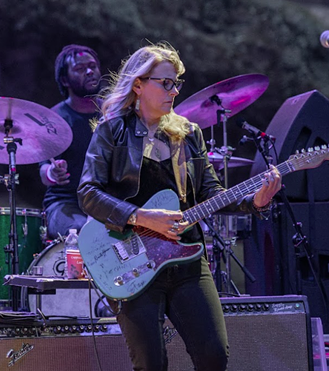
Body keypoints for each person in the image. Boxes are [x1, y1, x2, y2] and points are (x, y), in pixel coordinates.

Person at [77, 43, 282, 370]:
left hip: (187, 258)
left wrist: (252, 202)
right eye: (166, 83)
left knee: (214, 355)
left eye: (177, 83)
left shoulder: (188, 135)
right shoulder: (111, 132)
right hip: (131, 260)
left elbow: (210, 193)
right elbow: (87, 192)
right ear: (139, 84)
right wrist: (142, 217)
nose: (174, 91)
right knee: (151, 364)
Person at [39, 44, 102, 240]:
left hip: (104, 201)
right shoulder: (55, 119)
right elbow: (43, 171)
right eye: (80, 69)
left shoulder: (112, 114)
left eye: (92, 66)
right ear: (65, 80)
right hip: (65, 203)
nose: (90, 72)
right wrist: (53, 172)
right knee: (86, 234)